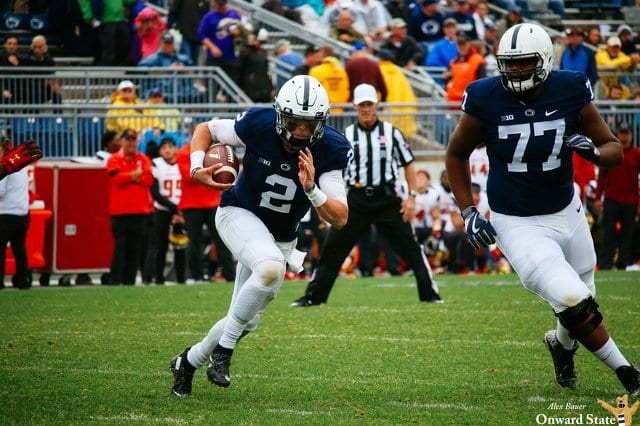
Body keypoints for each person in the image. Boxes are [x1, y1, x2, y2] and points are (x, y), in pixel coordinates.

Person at [445, 23, 640, 396]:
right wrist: (468, 211)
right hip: (516, 220)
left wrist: (595, 153)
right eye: (509, 64)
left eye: (524, 64)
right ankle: (628, 373)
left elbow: (612, 146)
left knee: (581, 293)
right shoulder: (485, 97)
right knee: (570, 297)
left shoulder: (568, 88)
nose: (515, 72)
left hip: (566, 209)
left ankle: (561, 345)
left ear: (545, 61)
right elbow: (456, 154)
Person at [169, 75, 352, 395]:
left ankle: (188, 361)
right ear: (281, 115)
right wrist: (197, 167)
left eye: (309, 125)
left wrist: (312, 190)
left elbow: (340, 217)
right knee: (269, 268)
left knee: (245, 320)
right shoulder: (258, 123)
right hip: (239, 213)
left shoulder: (332, 148)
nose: (300, 132)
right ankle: (223, 353)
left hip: (281, 236)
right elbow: (206, 130)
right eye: (294, 121)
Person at [290, 83, 442, 307]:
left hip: (387, 198)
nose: (366, 109)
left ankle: (430, 294)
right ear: (355, 106)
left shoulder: (392, 132)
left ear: (376, 105)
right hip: (357, 200)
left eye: (369, 104)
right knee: (333, 247)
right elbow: (334, 170)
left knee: (410, 247)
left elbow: (409, 164)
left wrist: (411, 197)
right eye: (362, 105)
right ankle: (314, 297)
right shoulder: (347, 135)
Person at [175, 140, 235, 284]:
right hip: (192, 204)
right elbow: (188, 176)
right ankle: (196, 276)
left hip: (211, 202)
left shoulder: (213, 150)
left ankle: (230, 275)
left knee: (221, 240)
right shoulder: (184, 152)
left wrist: (203, 171)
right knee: (193, 241)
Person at [106, 129, 154, 285]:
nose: (131, 143)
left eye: (134, 140)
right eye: (128, 140)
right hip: (120, 212)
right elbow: (116, 180)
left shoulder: (144, 158)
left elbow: (148, 180)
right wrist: (135, 175)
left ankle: (129, 281)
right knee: (120, 248)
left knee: (135, 249)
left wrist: (129, 176)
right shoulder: (113, 159)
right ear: (122, 142)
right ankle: (115, 280)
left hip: (140, 212)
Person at [594, 121, 640, 271]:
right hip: (611, 199)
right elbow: (602, 176)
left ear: (631, 135)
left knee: (628, 234)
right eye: (622, 133)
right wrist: (597, 197)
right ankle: (605, 263)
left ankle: (623, 263)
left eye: (627, 134)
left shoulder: (637, 154)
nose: (625, 137)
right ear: (617, 134)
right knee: (608, 233)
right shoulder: (612, 152)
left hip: (630, 200)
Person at [0, 139, 41, 289]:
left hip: (5, 212)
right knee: (20, 249)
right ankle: (23, 281)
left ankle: (0, 281)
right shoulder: (22, 165)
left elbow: (1, 191)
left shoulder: (6, 165)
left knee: (1, 250)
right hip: (22, 212)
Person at [149, 137, 186, 284]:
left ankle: (181, 280)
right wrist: (174, 207)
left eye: (170, 146)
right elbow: (155, 193)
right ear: (159, 151)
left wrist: (180, 209)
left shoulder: (183, 163)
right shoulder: (156, 164)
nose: (167, 150)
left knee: (180, 246)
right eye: (164, 147)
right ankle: (158, 279)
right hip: (163, 210)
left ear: (176, 148)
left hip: (180, 210)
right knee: (161, 246)